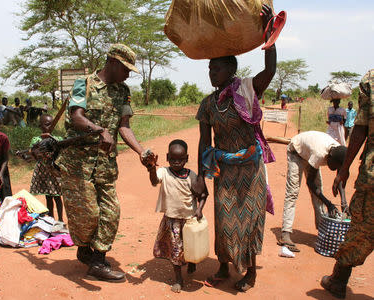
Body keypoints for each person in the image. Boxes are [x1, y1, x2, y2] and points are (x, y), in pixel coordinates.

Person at [56, 43, 154, 282]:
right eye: (126, 69)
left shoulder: (123, 91)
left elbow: (123, 126)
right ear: (112, 62)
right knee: (88, 213)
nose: (128, 74)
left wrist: (142, 152)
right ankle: (85, 250)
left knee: (112, 210)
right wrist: (100, 130)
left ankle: (98, 260)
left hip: (105, 164)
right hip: (78, 163)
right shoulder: (84, 84)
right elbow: (76, 116)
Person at [195, 5, 276, 292]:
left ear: (231, 69)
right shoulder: (208, 104)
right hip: (225, 171)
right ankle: (223, 265)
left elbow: (270, 69)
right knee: (225, 221)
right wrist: (200, 177)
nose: (211, 73)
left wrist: (270, 36)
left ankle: (250, 272)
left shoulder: (247, 90)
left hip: (251, 170)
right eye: (209, 68)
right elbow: (205, 143)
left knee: (250, 219)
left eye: (216, 68)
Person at [321, 69, 373, 299]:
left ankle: (339, 280)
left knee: (361, 227)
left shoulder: (371, 80)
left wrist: (344, 169)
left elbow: (361, 127)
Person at [146, 139, 205, 293]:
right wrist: (151, 168)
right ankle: (179, 279)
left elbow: (203, 194)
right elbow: (154, 181)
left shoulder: (191, 175)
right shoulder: (164, 172)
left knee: (191, 246)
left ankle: (192, 262)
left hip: (189, 220)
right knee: (176, 250)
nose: (177, 162)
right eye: (173, 159)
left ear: (186, 158)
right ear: (167, 157)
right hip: (172, 220)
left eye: (180, 159)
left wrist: (199, 209)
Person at [279, 131, 347, 252]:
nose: (335, 168)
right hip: (297, 153)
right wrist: (328, 203)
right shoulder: (319, 154)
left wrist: (343, 201)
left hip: (310, 152)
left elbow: (340, 177)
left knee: (318, 194)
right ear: (330, 158)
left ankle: (322, 231)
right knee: (293, 192)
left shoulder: (339, 152)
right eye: (335, 166)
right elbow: (310, 183)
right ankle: (285, 233)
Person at [29, 114, 63, 221]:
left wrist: (50, 138)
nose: (49, 127)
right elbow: (33, 152)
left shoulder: (56, 138)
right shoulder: (36, 140)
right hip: (43, 172)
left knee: (57, 196)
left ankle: (61, 219)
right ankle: (51, 219)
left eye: (51, 125)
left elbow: (60, 147)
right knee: (48, 196)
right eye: (47, 125)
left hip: (54, 171)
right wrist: (40, 144)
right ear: (41, 126)